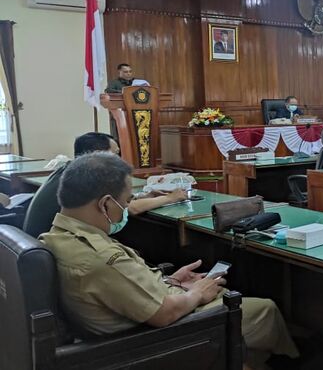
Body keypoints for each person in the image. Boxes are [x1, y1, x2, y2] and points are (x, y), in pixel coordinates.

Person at [39, 152, 298, 369]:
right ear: (105, 204)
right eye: (126, 202)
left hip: (142, 311)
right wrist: (196, 294)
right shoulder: (101, 258)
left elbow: (119, 289)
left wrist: (171, 280)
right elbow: (164, 314)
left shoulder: (57, 236)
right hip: (157, 339)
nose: (127, 209)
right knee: (264, 308)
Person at [26, 132, 189, 236]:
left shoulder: (70, 172)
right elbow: (126, 209)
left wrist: (140, 196)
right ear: (98, 155)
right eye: (115, 154)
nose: (119, 158)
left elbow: (114, 202)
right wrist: (170, 198)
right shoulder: (87, 177)